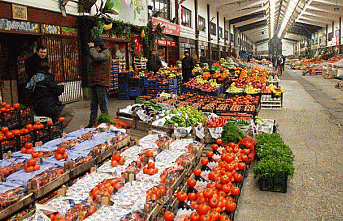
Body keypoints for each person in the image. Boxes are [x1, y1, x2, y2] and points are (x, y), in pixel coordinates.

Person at [26, 62, 75, 129]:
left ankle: (53, 127)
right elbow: (57, 91)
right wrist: (62, 86)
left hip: (36, 108)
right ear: (48, 69)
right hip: (48, 107)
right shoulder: (48, 78)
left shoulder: (34, 78)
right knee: (70, 112)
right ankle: (56, 129)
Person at [86, 38, 112, 128]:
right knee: (93, 105)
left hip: (102, 83)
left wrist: (91, 48)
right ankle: (92, 123)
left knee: (103, 105)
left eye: (94, 48)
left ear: (97, 47)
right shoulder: (100, 53)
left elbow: (97, 56)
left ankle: (107, 123)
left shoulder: (106, 54)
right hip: (96, 83)